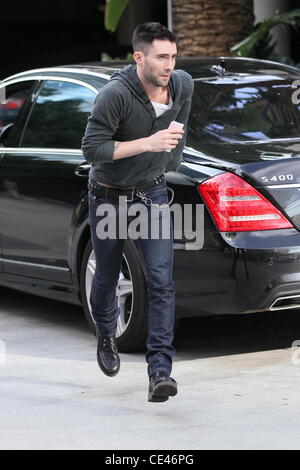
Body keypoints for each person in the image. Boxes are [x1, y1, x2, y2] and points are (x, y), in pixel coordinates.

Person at [81, 22, 194, 402]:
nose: (169, 65)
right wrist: (148, 143)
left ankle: (160, 371)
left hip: (151, 194)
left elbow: (179, 130)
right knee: (108, 274)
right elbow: (92, 150)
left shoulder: (182, 85)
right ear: (139, 57)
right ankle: (106, 333)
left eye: (173, 56)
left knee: (161, 280)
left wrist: (163, 163)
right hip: (109, 195)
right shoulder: (115, 94)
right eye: (161, 56)